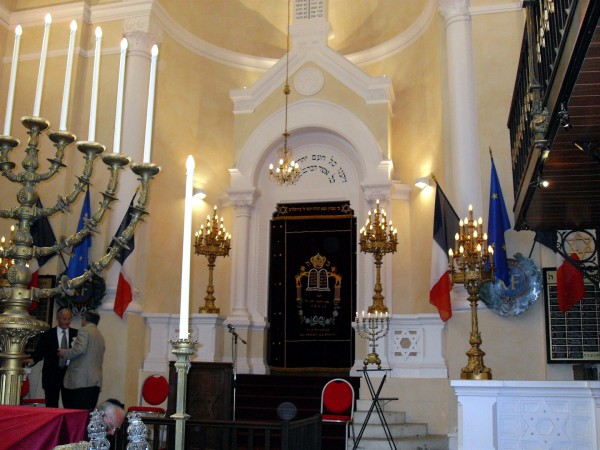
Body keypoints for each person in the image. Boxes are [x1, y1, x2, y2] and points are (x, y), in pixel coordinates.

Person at [24, 307, 78, 407]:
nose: (67, 322)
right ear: (58, 318)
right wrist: (32, 360)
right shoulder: (48, 334)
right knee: (51, 404)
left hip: (70, 374)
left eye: (69, 319)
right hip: (51, 374)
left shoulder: (77, 334)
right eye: (64, 319)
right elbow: (39, 352)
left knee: (70, 404)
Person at [58, 310, 105, 410]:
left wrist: (64, 353)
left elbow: (80, 348)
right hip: (94, 380)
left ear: (84, 319)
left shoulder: (84, 330)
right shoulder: (99, 335)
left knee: (76, 415)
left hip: (81, 381)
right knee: (87, 414)